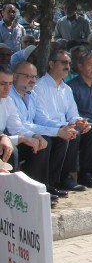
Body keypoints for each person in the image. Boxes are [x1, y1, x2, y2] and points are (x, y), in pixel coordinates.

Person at [32, 49, 92, 192]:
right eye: (63, 62)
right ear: (51, 64)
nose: (67, 66)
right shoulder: (39, 86)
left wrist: (81, 122)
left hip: (64, 126)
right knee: (71, 134)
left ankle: (86, 174)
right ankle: (62, 178)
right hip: (47, 128)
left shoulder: (66, 88)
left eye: (69, 63)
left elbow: (73, 114)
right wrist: (67, 126)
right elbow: (41, 119)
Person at [1, 65, 53, 201]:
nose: (7, 88)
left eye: (9, 84)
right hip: (5, 144)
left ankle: (34, 192)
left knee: (40, 143)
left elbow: (17, 127)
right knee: (12, 150)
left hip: (6, 140)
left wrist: (34, 136)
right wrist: (20, 138)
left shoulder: (7, 101)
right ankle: (11, 195)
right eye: (2, 84)